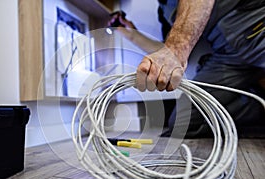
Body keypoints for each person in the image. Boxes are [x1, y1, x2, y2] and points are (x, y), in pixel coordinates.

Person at [108, 0, 265, 137]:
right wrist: (132, 35)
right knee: (182, 122)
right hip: (227, 57)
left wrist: (176, 49)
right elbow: (165, 51)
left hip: (256, 25)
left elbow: (175, 49)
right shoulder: (164, 10)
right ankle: (259, 102)